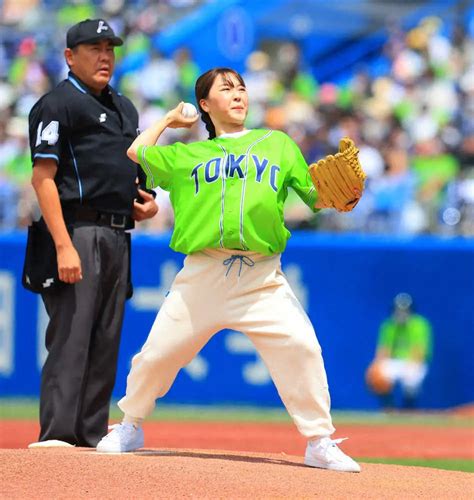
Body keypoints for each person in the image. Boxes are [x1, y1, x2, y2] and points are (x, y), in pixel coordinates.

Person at [96, 67, 361, 473]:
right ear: (205, 104)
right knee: (155, 357)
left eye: (241, 88)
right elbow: (137, 152)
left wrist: (338, 197)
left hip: (261, 277)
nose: (238, 94)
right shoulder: (188, 155)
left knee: (301, 346)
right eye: (226, 88)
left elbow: (315, 195)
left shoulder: (277, 144)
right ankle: (130, 425)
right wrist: (169, 119)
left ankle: (319, 441)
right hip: (203, 273)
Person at [26, 19, 158, 448]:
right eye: (93, 48)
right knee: (72, 336)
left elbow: (133, 173)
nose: (105, 56)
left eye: (110, 48)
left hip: (119, 233)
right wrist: (63, 245)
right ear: (70, 56)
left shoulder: (125, 108)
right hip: (76, 230)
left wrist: (146, 201)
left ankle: (89, 435)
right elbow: (43, 179)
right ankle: (58, 436)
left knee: (105, 338)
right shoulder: (58, 104)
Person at [366, 293, 433, 409]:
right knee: (379, 372)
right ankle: (388, 408)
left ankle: (408, 409)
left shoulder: (419, 324)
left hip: (413, 361)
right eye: (398, 310)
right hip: (395, 361)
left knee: (412, 376)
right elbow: (383, 350)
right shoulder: (389, 325)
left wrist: (411, 364)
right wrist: (375, 366)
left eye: (405, 310)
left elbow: (420, 351)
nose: (401, 313)